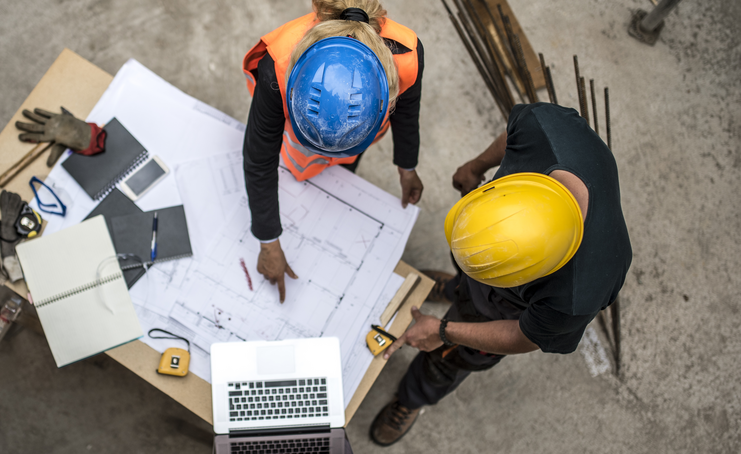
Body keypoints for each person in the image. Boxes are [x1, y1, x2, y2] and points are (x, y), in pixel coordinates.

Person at [368, 102, 633, 446]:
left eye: (490, 271)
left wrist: (444, 331)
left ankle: (413, 398)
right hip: (498, 257)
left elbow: (523, 336)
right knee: (466, 280)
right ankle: (454, 288)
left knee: (447, 360)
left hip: (501, 312)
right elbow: (512, 135)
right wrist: (476, 166)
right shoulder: (546, 130)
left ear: (530, 276)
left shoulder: (578, 293)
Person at [242, 0, 425, 302]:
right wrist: (268, 241)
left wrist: (407, 166)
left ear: (386, 100)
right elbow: (260, 157)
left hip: (356, 141)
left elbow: (408, 112)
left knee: (340, 175)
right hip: (298, 148)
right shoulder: (278, 67)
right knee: (299, 171)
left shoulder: (406, 55)